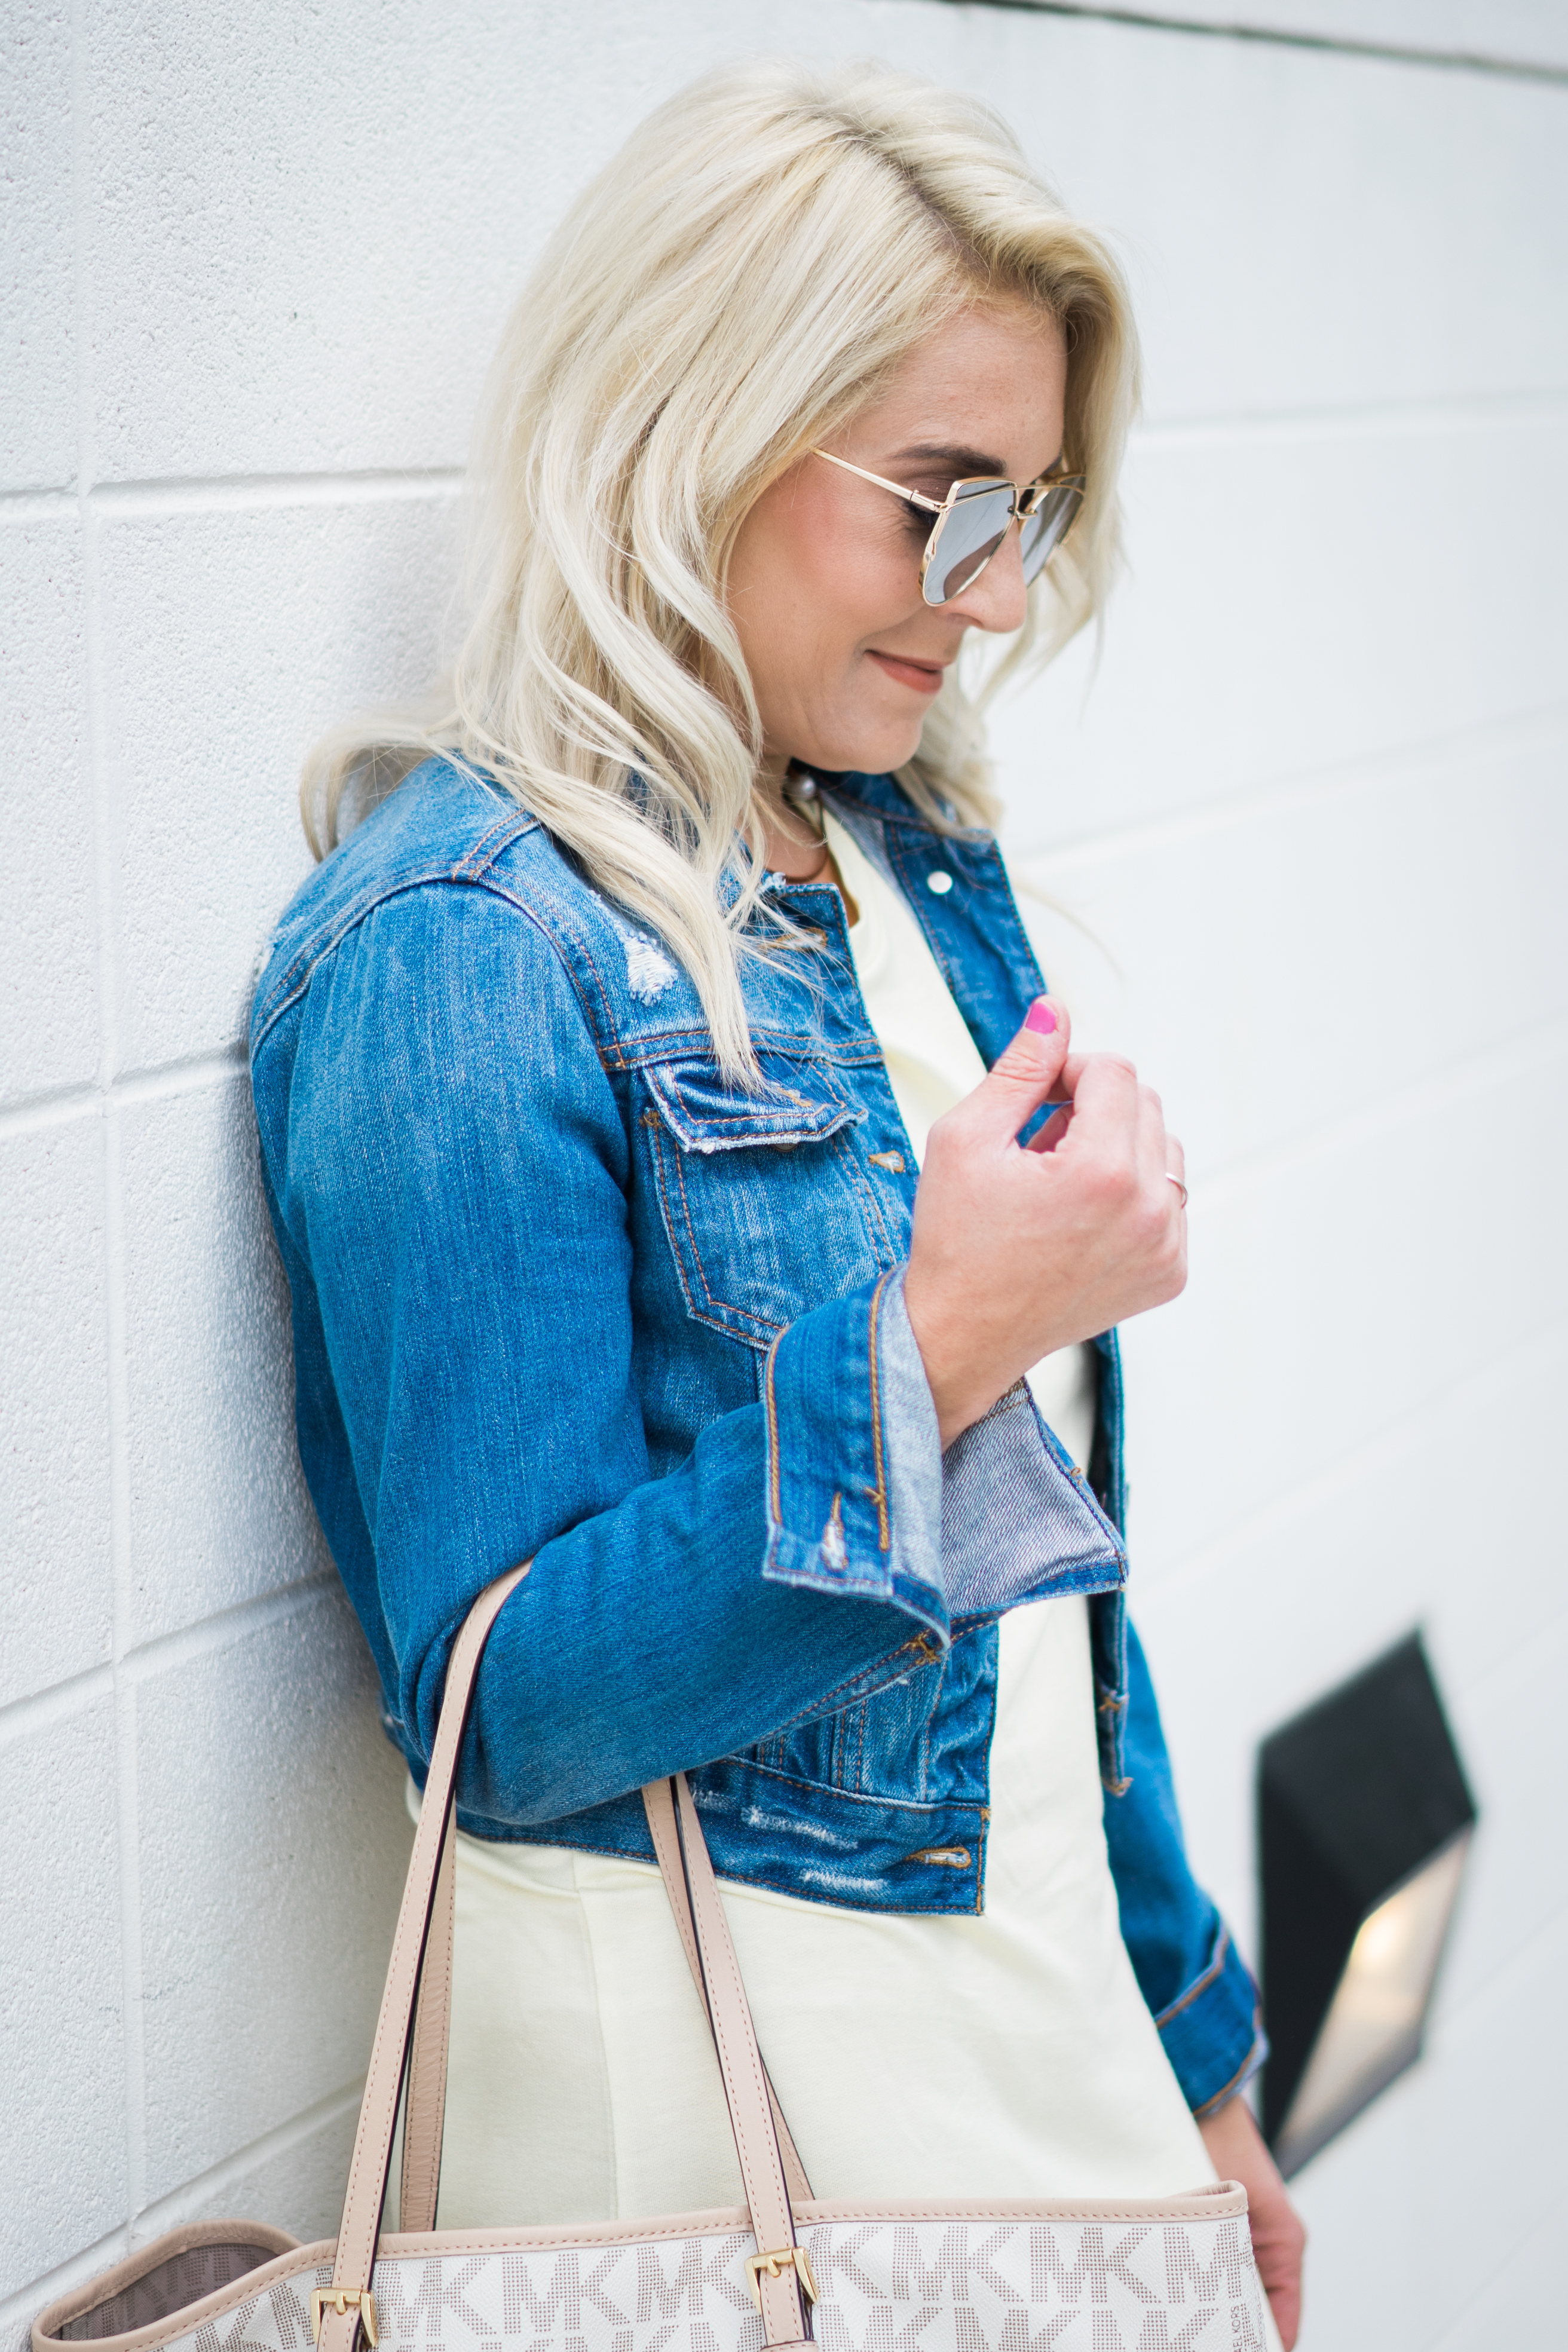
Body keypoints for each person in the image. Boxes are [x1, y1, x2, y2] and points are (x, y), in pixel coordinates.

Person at [250, 59, 1304, 2347]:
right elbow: (496, 1711)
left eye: (1030, 511)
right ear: (697, 427)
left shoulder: (912, 854)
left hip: (1031, 2047)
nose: (1001, 594)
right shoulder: (458, 942)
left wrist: (1198, 2053)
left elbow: (1055, 1612)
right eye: (944, 502)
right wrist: (929, 1345)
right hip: (740, 2143)